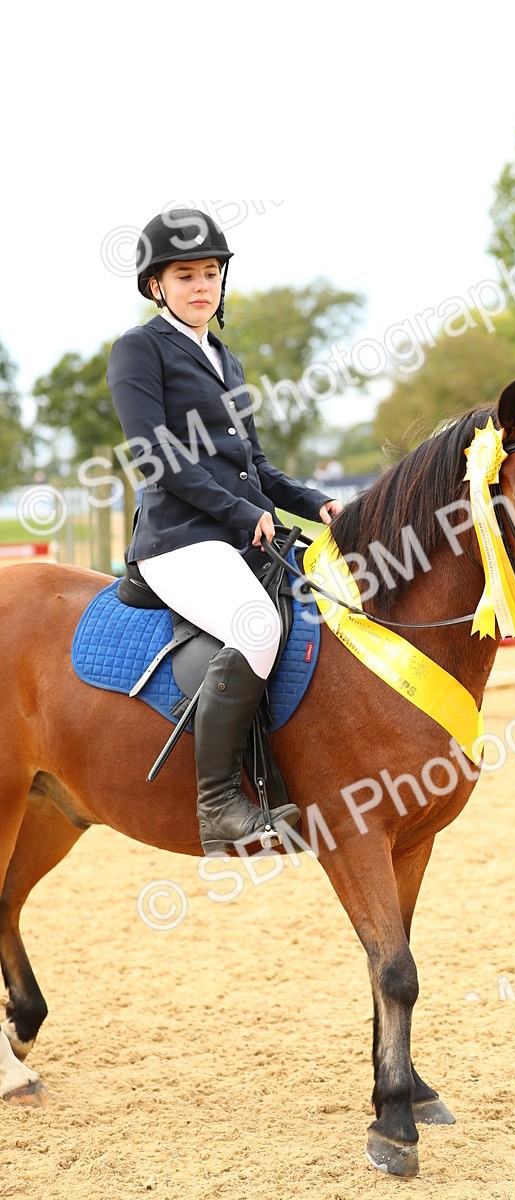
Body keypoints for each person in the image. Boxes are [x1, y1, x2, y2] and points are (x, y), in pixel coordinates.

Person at [107, 208, 342, 855]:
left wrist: (317, 502)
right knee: (258, 627)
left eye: (211, 273)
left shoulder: (226, 361)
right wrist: (244, 514)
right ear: (157, 286)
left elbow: (256, 469)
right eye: (185, 275)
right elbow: (158, 457)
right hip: (178, 541)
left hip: (235, 537)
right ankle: (219, 806)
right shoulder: (140, 349)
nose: (201, 285)